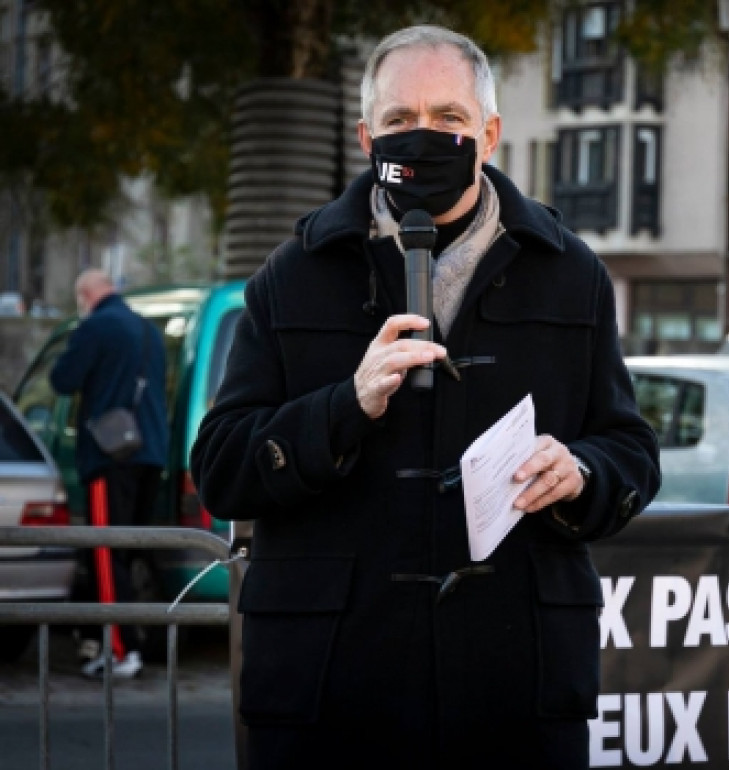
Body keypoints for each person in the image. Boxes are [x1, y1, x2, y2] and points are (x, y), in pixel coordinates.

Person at [190, 26, 660, 770]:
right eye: (400, 121)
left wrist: (585, 474)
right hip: (333, 686)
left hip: (513, 683)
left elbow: (630, 450)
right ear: (365, 136)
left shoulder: (571, 274)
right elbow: (221, 467)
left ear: (490, 134)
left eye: (448, 119)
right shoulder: (293, 273)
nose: (423, 137)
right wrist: (345, 405)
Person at [50, 268, 168, 679]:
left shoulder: (97, 325)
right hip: (152, 454)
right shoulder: (149, 330)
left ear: (86, 295)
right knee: (127, 553)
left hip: (111, 454)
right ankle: (120, 644)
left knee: (105, 552)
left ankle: (123, 650)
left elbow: (62, 380)